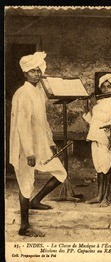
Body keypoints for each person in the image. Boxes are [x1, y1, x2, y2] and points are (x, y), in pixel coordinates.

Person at [9, 52, 67, 237]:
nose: (36, 73)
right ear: (25, 73)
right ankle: (24, 226)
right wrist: (29, 152)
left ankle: (36, 201)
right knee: (26, 183)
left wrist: (50, 143)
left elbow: (44, 122)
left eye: (38, 70)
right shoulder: (23, 93)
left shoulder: (38, 92)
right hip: (26, 147)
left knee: (61, 173)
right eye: (32, 71)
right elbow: (22, 125)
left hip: (40, 143)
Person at [83, 70, 111, 207]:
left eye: (108, 86)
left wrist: (94, 106)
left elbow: (104, 119)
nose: (105, 89)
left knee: (107, 168)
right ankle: (99, 195)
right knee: (99, 168)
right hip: (95, 136)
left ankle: (106, 197)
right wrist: (89, 106)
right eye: (103, 86)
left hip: (106, 137)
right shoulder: (99, 102)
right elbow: (91, 120)